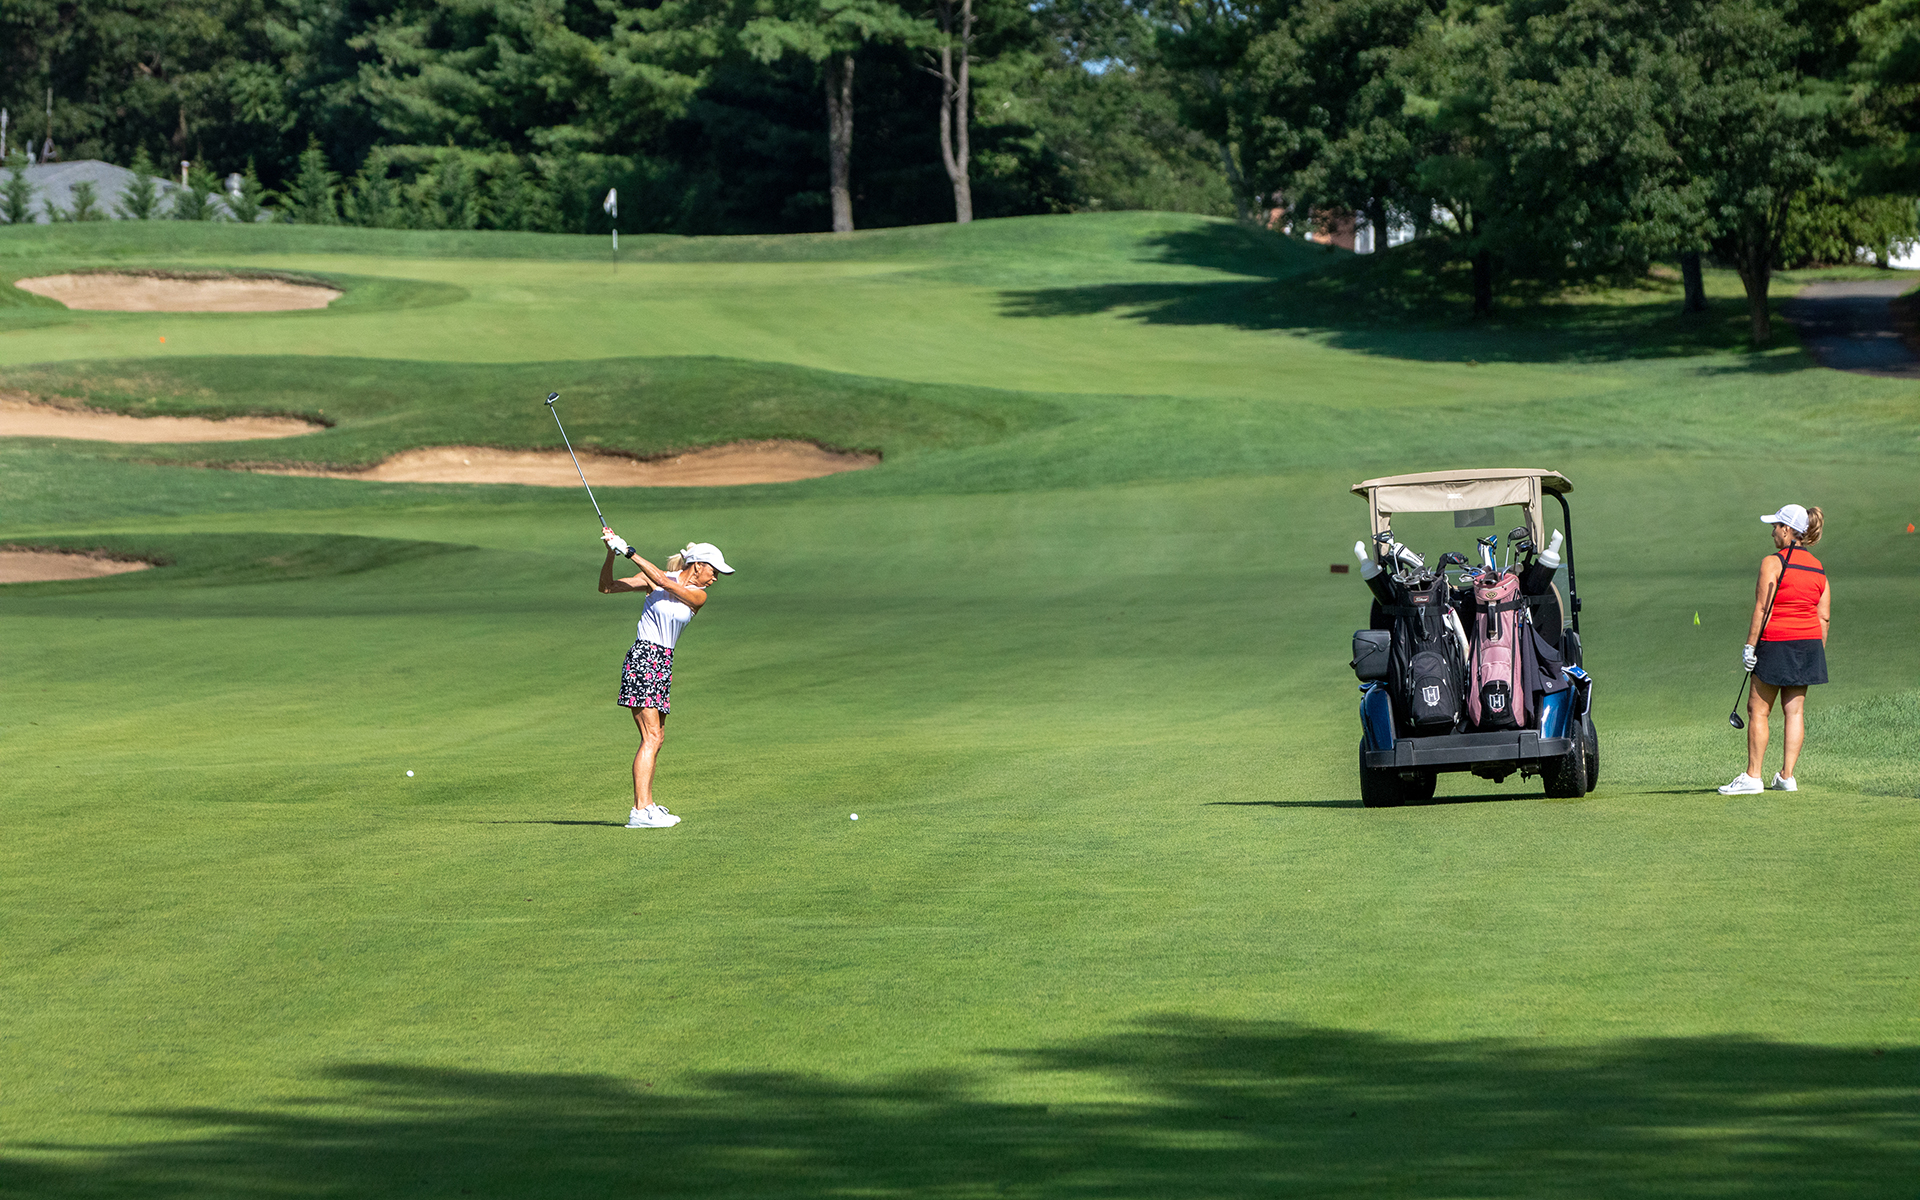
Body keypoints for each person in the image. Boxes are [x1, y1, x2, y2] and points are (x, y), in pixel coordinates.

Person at [598, 528, 734, 827]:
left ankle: (647, 806)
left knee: (657, 737)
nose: (715, 578)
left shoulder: (698, 595)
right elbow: (606, 587)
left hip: (662, 662)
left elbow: (663, 581)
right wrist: (612, 553)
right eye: (714, 571)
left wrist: (628, 550)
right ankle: (640, 810)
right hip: (645, 656)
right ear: (698, 565)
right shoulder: (655, 579)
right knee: (650, 736)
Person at [1719, 504, 1828, 795]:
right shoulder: (1818, 567)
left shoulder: (1773, 562)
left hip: (1777, 641)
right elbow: (1823, 617)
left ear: (1788, 530)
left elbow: (1762, 608)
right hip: (1808, 645)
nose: (1773, 533)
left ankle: (1753, 777)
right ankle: (1786, 777)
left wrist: (1750, 647)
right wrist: (1813, 653)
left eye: (1776, 527)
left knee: (1758, 709)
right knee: (1795, 711)